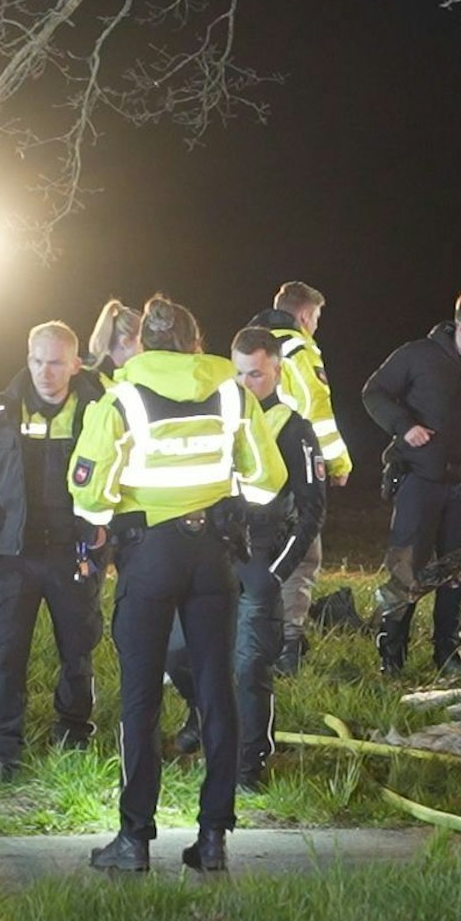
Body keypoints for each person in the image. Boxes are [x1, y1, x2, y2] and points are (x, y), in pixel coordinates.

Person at [70, 294, 285, 874]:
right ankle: (213, 838)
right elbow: (268, 481)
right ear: (196, 343)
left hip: (149, 555)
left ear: (144, 343)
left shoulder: (121, 399)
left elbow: (89, 496)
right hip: (213, 553)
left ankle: (134, 839)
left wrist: (120, 507)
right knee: (216, 690)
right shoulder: (233, 394)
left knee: (141, 697)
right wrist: (224, 494)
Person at [167, 327, 326, 788]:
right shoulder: (220, 420)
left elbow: (312, 512)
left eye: (255, 374)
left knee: (249, 666)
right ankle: (202, 715)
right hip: (212, 552)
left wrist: (275, 573)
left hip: (261, 554)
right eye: (238, 374)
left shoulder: (295, 429)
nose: (245, 383)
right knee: (177, 652)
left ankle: (248, 764)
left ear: (276, 371)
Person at [0, 321, 107, 778]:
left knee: (77, 650)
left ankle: (74, 739)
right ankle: (2, 753)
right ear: (28, 360)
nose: (46, 372)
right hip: (13, 553)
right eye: (39, 361)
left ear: (75, 364)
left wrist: (108, 537)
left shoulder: (98, 412)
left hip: (72, 552)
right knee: (6, 654)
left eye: (56, 363)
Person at [361, 289, 461, 674]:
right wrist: (404, 426)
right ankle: (392, 651)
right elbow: (374, 393)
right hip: (420, 480)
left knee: (456, 570)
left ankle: (447, 652)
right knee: (406, 569)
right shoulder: (418, 355)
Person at [248, 281, 351, 673]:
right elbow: (317, 413)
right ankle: (288, 646)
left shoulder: (248, 343)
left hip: (251, 462)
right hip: (292, 460)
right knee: (303, 555)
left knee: (255, 549)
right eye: (317, 318)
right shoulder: (299, 348)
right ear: (306, 315)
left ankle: (255, 634)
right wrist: (338, 464)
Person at [85, 298, 142, 383]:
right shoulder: (98, 382)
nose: (144, 350)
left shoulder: (93, 373)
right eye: (141, 341)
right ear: (125, 342)